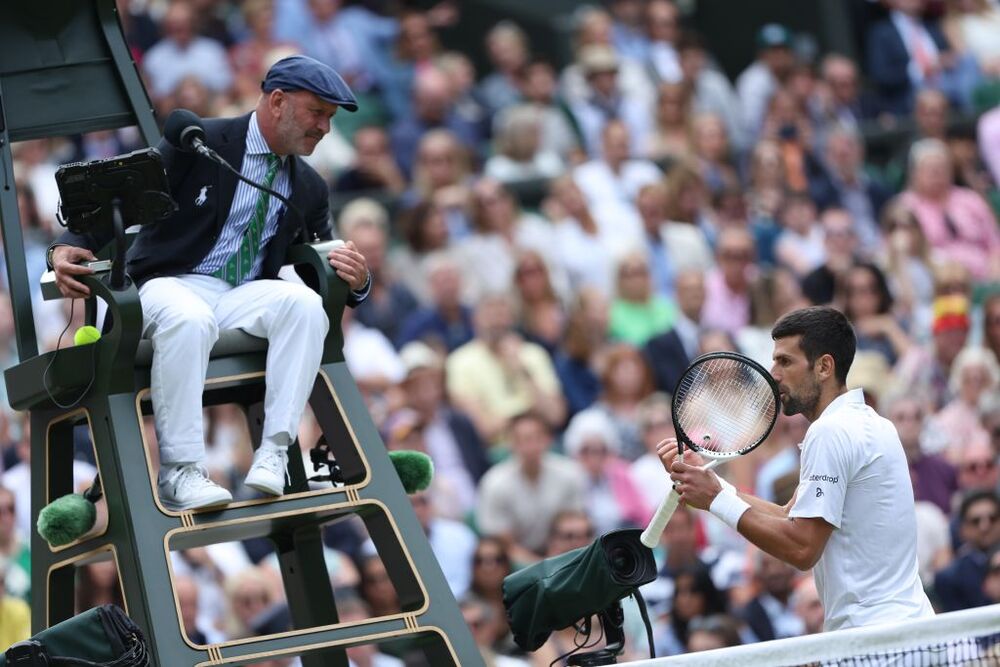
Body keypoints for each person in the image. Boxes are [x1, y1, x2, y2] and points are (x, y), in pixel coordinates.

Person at [48, 55, 372, 510]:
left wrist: (357, 281)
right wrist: (65, 246)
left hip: (241, 294)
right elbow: (123, 197)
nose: (324, 128)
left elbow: (319, 262)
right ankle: (180, 471)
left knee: (303, 307)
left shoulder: (311, 186)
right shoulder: (198, 140)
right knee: (189, 316)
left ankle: (275, 454)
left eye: (330, 118)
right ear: (277, 101)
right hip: (167, 284)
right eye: (317, 113)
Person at [662, 306, 934, 630]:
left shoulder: (830, 431)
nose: (773, 372)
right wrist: (715, 486)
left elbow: (802, 547)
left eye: (785, 361)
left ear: (824, 367)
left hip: (876, 641)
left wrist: (714, 501)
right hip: (907, 631)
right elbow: (789, 518)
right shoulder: (874, 423)